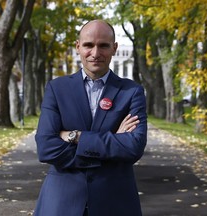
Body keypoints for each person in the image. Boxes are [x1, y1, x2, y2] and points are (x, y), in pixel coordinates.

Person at [34, 19, 147, 216]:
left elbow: (133, 148)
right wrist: (112, 143)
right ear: (78, 47)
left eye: (103, 46)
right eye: (88, 45)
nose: (95, 53)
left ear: (114, 48)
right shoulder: (57, 88)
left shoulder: (132, 91)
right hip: (62, 202)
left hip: (115, 202)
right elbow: (46, 148)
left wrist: (75, 137)